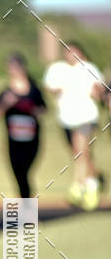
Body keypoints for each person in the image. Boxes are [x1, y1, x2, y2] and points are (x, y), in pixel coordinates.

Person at [43, 42, 105, 210]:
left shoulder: (89, 68)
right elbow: (48, 86)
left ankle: (79, 186)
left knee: (80, 151)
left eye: (73, 52)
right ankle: (93, 181)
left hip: (86, 117)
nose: (70, 55)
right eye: (67, 52)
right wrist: (56, 90)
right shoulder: (57, 69)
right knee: (80, 153)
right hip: (66, 119)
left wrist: (98, 93)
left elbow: (99, 91)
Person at [0, 54, 47, 199]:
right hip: (13, 141)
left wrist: (35, 110)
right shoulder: (5, 92)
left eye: (15, 67)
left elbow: (44, 108)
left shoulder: (34, 89)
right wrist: (6, 103)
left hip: (32, 139)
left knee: (25, 172)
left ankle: (26, 205)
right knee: (18, 173)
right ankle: (26, 205)